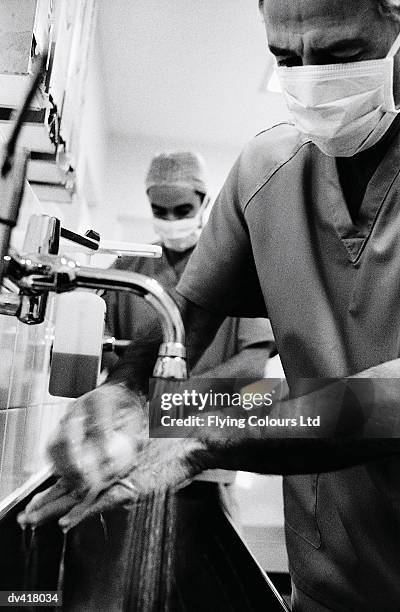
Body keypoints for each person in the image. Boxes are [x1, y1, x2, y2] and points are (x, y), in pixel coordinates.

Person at [18, 1, 400, 610]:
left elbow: (391, 399)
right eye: (285, 58)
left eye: (339, 56)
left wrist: (207, 430)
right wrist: (124, 394)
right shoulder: (266, 174)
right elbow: (182, 317)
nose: (308, 79)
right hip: (328, 588)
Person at [103, 150, 275, 382]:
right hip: (140, 412)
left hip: (211, 412)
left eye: (183, 211)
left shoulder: (236, 267)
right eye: (160, 212)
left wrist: (179, 398)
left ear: (205, 204)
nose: (171, 221)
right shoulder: (127, 269)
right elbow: (96, 339)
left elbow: (253, 362)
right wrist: (127, 388)